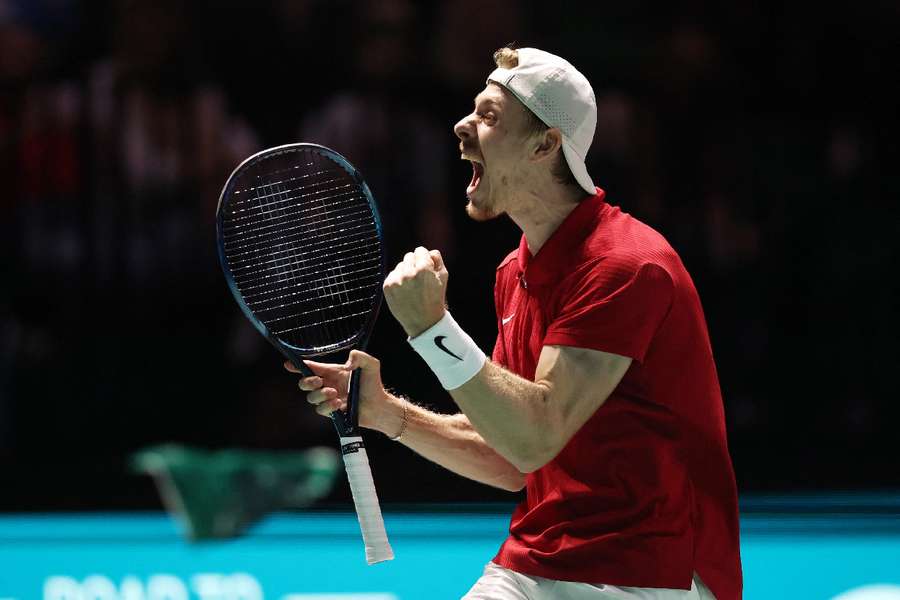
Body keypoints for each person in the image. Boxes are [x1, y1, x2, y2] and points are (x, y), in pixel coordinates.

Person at [287, 47, 742, 600]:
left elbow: (534, 437)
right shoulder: (514, 272)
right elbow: (511, 457)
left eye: (489, 115)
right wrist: (386, 413)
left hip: (652, 569)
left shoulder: (627, 265)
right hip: (540, 560)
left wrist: (433, 331)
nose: (461, 125)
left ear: (545, 144)